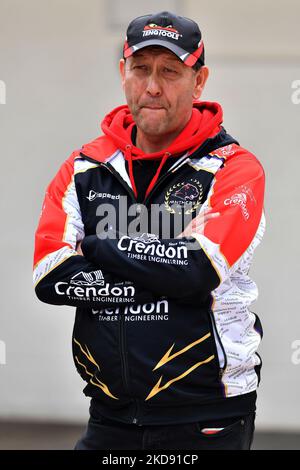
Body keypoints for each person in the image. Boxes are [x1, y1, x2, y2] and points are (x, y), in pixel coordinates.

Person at [33, 11, 266, 450]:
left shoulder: (232, 168)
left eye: (170, 72)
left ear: (199, 81)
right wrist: (161, 270)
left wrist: (100, 246)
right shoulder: (85, 167)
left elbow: (198, 269)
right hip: (108, 415)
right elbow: (49, 276)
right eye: (141, 69)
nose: (153, 87)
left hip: (207, 415)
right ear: (124, 73)